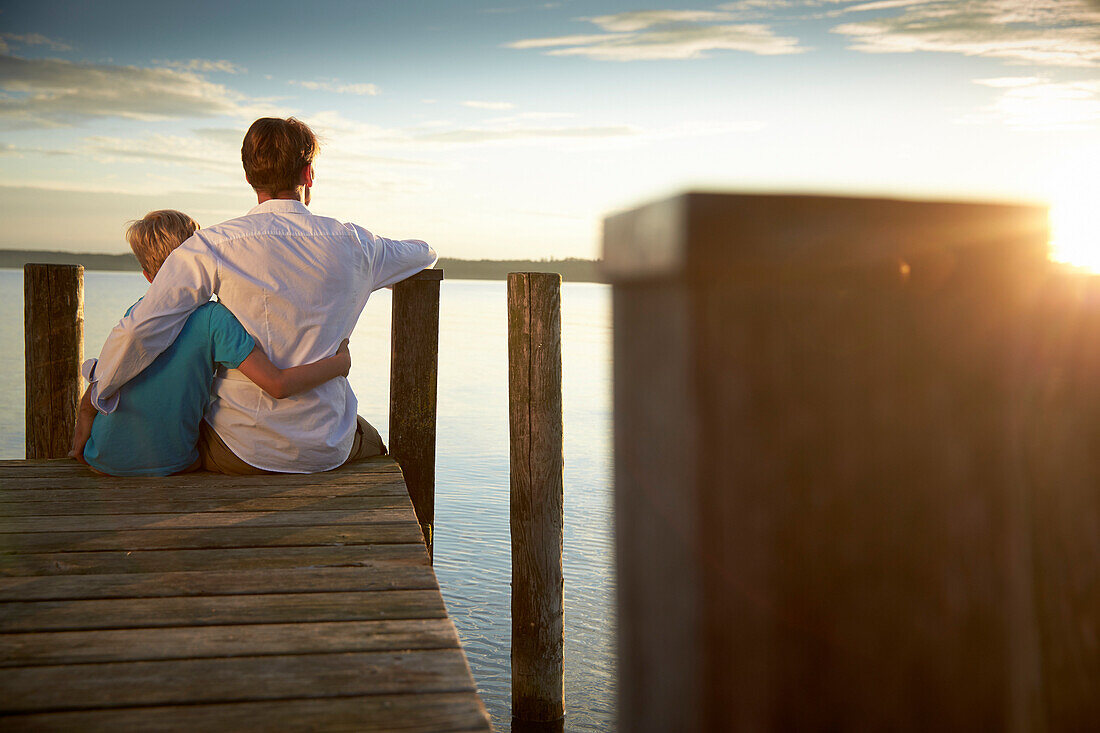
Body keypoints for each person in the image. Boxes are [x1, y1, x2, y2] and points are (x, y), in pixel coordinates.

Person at [78, 117, 437, 474]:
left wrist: (100, 393)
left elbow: (141, 331)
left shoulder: (212, 245)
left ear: (249, 177)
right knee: (376, 446)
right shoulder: (357, 245)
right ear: (308, 173)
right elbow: (424, 252)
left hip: (238, 448)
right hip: (327, 444)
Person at [70, 210, 353, 476]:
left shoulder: (136, 316)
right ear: (201, 260)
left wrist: (83, 425)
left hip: (102, 459)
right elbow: (277, 384)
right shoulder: (214, 319)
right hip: (174, 463)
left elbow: (106, 378)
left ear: (147, 276)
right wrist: (339, 364)